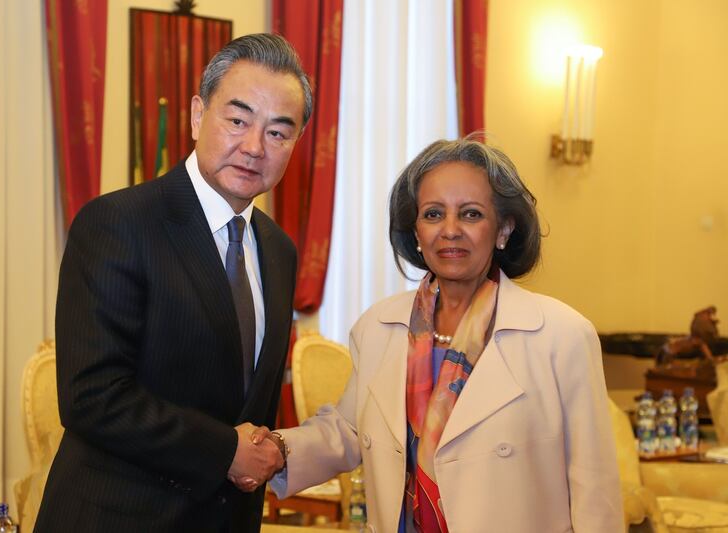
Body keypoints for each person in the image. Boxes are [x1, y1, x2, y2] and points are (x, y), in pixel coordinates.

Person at [255, 138, 623, 532]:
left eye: (470, 214)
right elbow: (349, 430)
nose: (450, 230)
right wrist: (276, 450)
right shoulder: (376, 327)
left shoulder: (562, 336)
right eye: (433, 214)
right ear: (415, 231)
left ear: (504, 229)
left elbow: (594, 489)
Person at [34, 33, 310, 533]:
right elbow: (92, 397)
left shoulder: (279, 251)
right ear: (197, 115)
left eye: (277, 132)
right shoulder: (118, 222)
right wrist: (226, 450)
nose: (253, 147)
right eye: (238, 119)